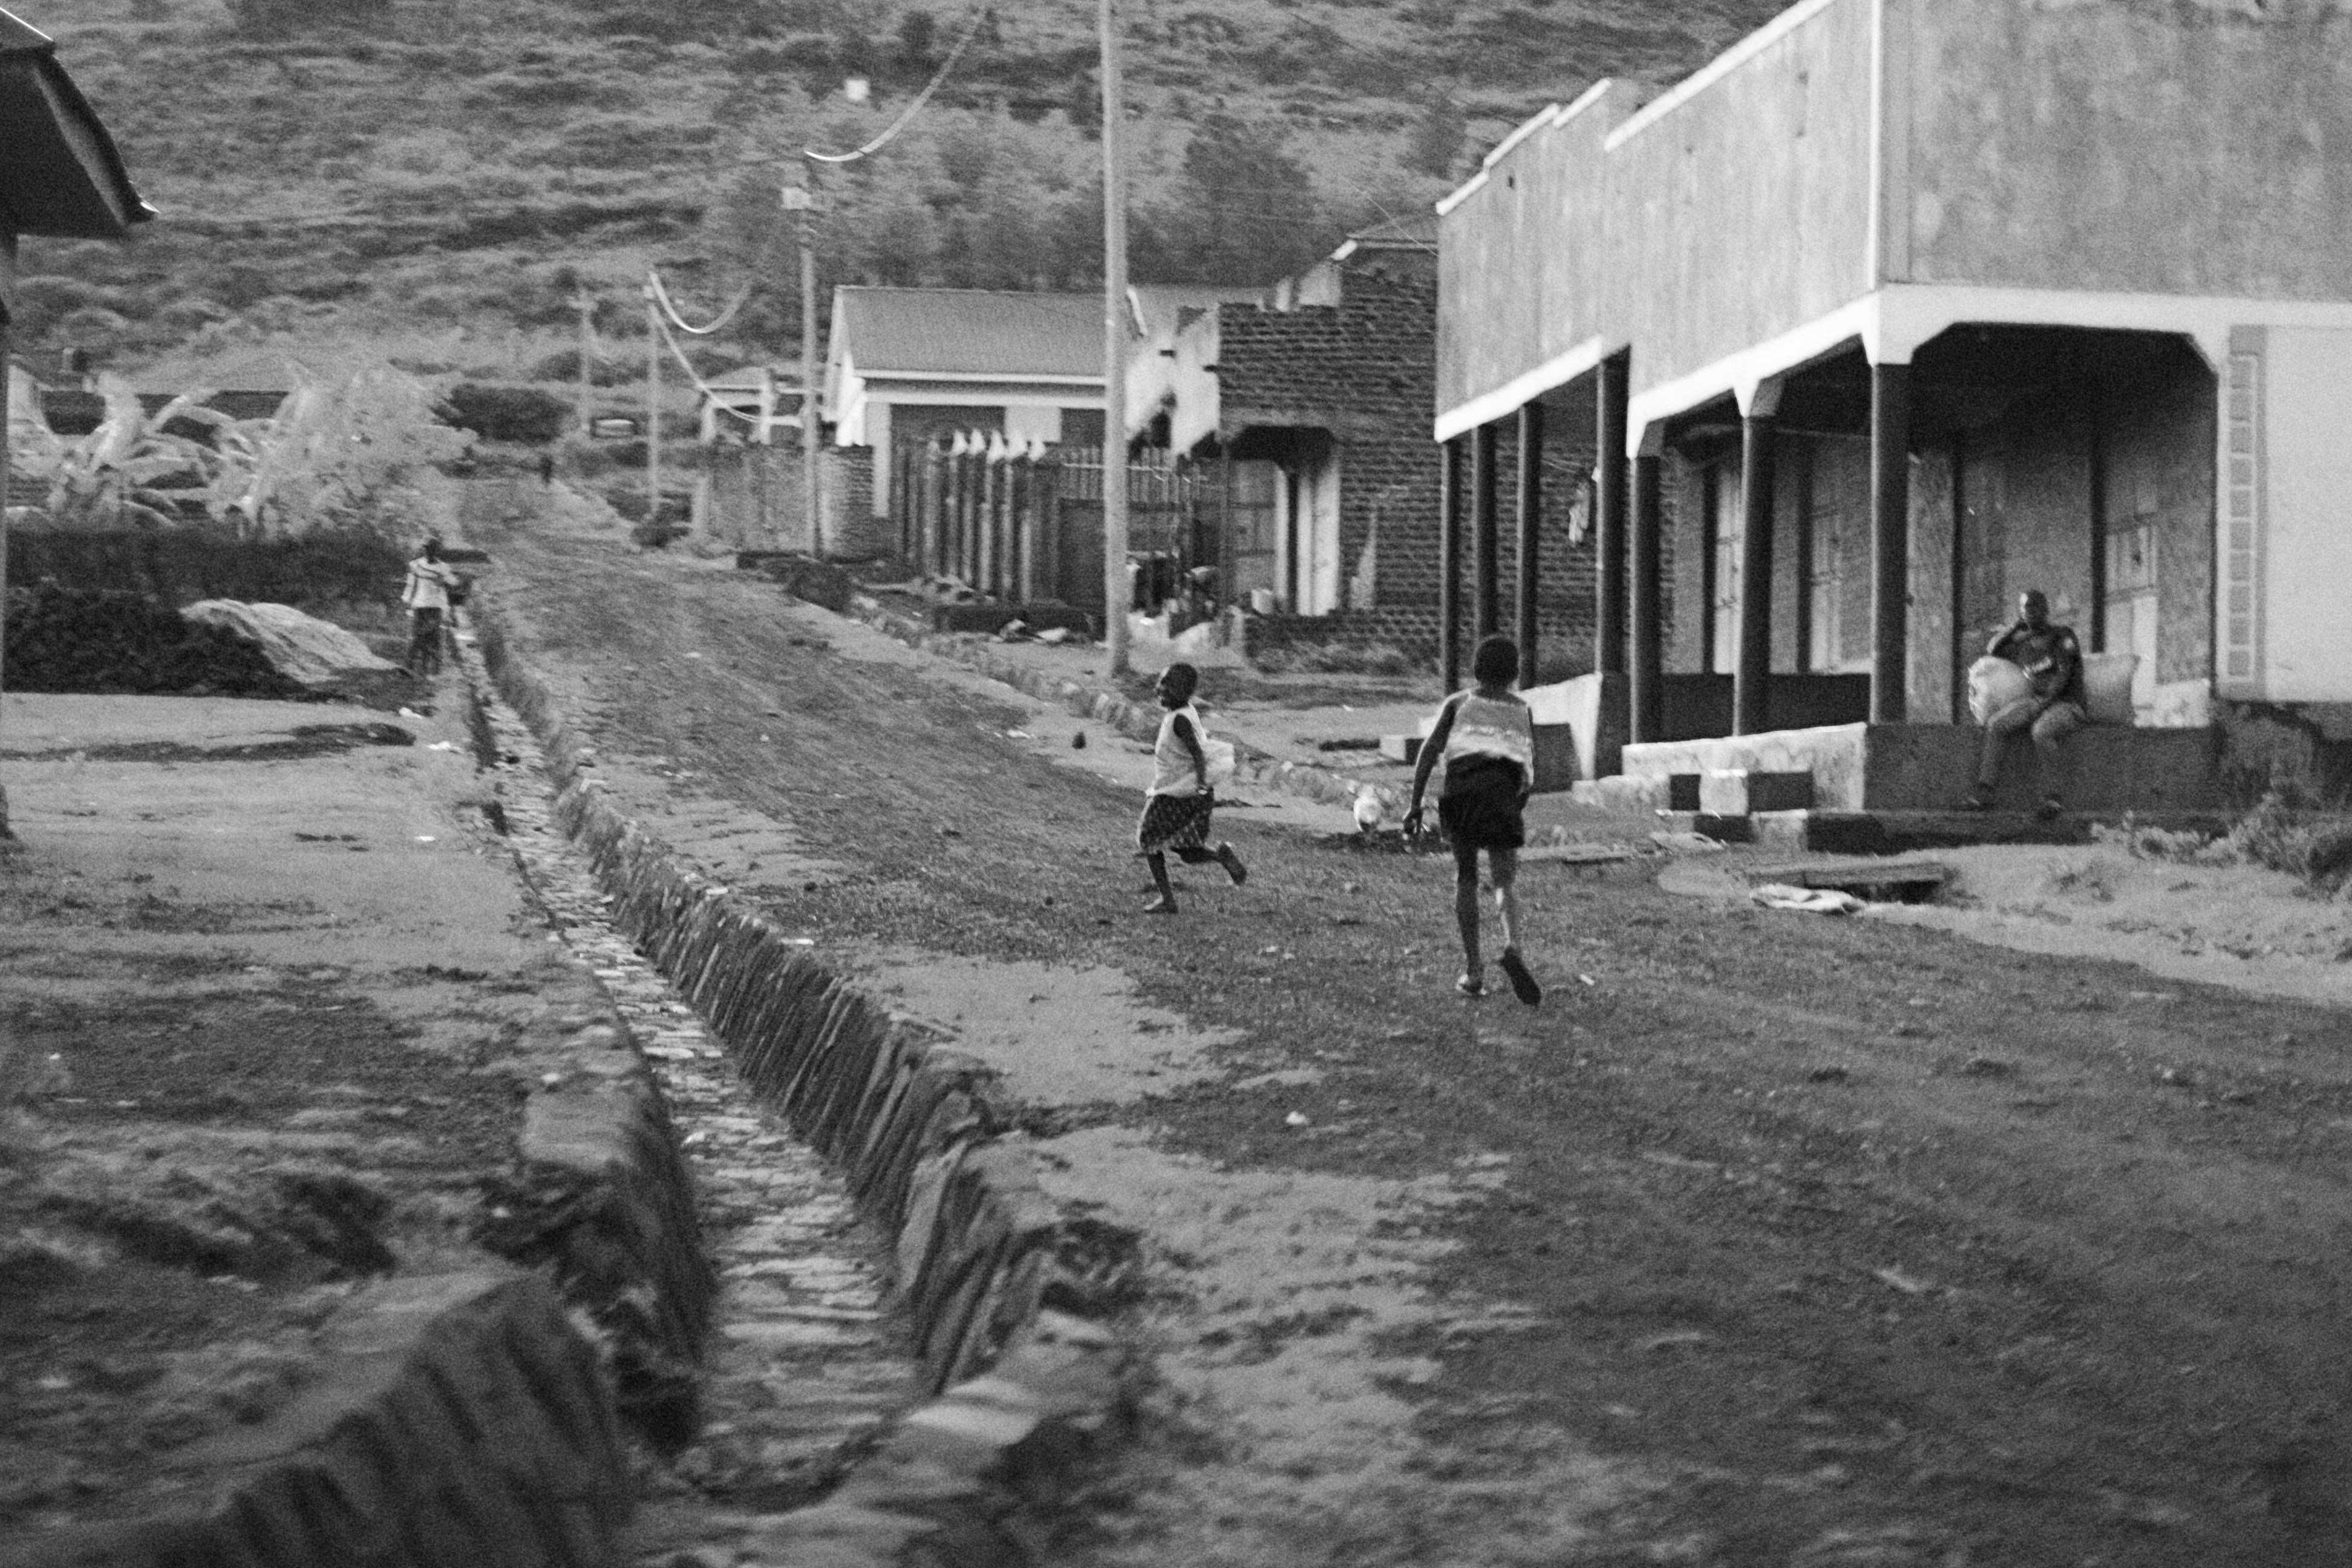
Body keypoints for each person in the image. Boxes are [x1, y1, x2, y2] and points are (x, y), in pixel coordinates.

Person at [1406, 634, 1542, 1005]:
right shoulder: (1522, 709)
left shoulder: (1458, 702)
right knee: (1505, 880)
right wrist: (1514, 807)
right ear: (1515, 672)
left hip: (1463, 791)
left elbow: (1429, 752)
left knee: (1466, 878)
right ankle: (1513, 946)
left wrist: (1415, 804)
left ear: (1476, 668)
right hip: (1502, 792)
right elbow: (1529, 767)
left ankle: (1474, 971)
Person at [1135, 662, 1247, 913]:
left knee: (1149, 839)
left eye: (1169, 685)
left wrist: (1199, 785)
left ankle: (1168, 899)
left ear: (1185, 692)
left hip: (1177, 792)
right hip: (1180, 788)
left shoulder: (1180, 720)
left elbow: (1198, 753)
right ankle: (1221, 856)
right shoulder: (1183, 711)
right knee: (1186, 851)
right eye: (1161, 682)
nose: (1160, 688)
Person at [1966, 589, 2085, 818]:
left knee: (2041, 732)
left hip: (2067, 704)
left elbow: (2064, 674)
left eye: (2035, 607)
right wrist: (2014, 627)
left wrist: (2044, 702)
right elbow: (1993, 649)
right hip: (2037, 701)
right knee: (1997, 724)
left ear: (2046, 610)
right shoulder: (2022, 644)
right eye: (2026, 608)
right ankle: (1984, 794)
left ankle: (2053, 800)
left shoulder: (2062, 636)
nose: (2031, 613)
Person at [401, 538, 463, 678]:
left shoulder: (443, 568)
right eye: (427, 549)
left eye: (433, 549)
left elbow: (454, 583)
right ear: (424, 550)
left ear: (437, 551)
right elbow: (411, 584)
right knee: (418, 635)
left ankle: (428, 670)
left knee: (431, 637)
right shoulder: (416, 565)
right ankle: (411, 667)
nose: (429, 552)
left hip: (435, 607)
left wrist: (453, 580)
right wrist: (407, 600)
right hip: (419, 605)